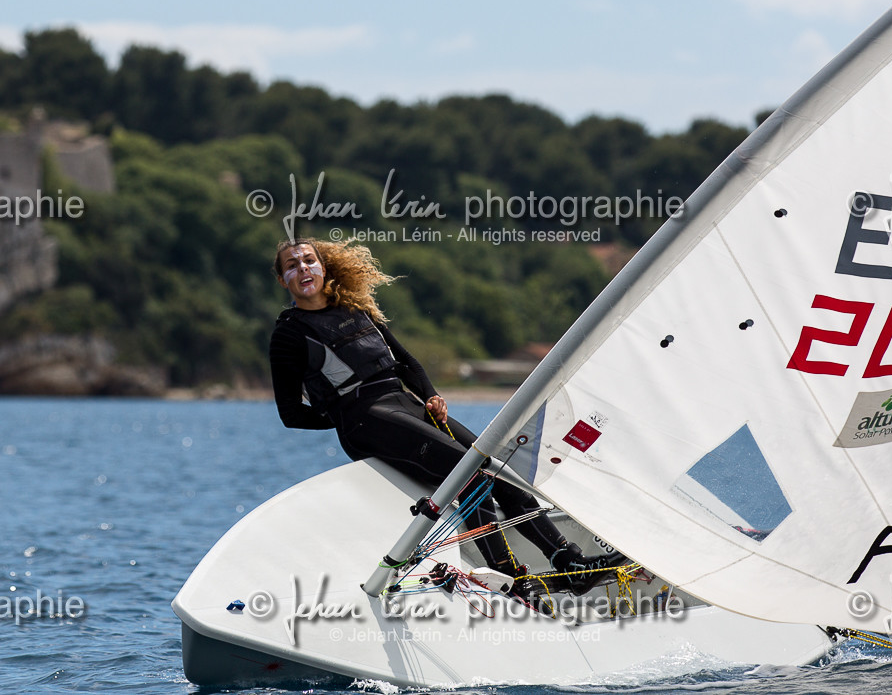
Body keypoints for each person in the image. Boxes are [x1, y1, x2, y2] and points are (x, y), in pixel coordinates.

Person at [267, 237, 624, 594]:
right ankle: (510, 578)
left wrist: (430, 395)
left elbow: (406, 361)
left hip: (407, 404)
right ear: (284, 280)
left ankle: (567, 562)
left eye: (309, 261)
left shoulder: (353, 308)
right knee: (468, 477)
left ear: (323, 267)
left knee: (500, 471)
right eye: (292, 266)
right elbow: (290, 413)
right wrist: (343, 415)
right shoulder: (289, 334)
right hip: (368, 421)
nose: (303, 269)